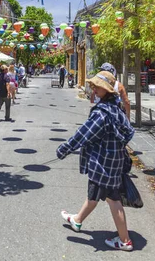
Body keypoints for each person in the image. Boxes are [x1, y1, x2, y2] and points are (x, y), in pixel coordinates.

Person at [56, 71, 135, 252]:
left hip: (102, 164)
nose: (94, 88)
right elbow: (129, 132)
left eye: (97, 85)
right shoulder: (117, 109)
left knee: (113, 200)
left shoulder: (102, 113)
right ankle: (77, 220)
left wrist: (64, 149)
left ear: (106, 89)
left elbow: (83, 134)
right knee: (95, 194)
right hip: (113, 161)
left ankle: (125, 241)